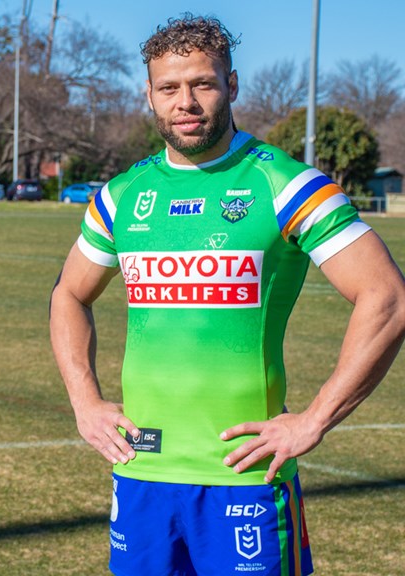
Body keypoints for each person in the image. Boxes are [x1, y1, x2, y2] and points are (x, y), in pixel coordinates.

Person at [49, 13, 405, 576]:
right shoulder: (122, 196)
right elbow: (70, 294)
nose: (185, 101)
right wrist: (85, 403)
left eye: (202, 84)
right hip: (142, 476)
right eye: (169, 88)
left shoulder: (286, 184)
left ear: (231, 86)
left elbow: (387, 297)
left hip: (246, 480)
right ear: (149, 95)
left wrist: (313, 419)